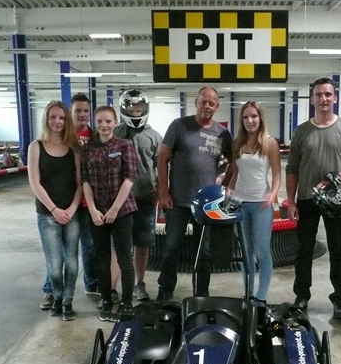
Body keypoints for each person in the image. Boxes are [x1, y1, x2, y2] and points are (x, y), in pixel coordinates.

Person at [285, 78, 341, 319]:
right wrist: (291, 201)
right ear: (312, 99)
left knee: (337, 250)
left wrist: (335, 178)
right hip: (307, 199)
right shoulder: (302, 131)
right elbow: (292, 168)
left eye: (328, 94)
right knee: (304, 250)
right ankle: (302, 296)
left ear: (335, 98)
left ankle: (339, 298)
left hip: (336, 201)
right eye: (319, 94)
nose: (323, 98)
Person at [155, 86, 233, 303]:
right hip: (177, 202)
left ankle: (201, 294)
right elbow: (162, 159)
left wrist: (223, 189)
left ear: (217, 107)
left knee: (204, 252)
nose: (207, 106)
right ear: (196, 102)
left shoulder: (223, 134)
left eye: (211, 103)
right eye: (203, 102)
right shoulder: (179, 126)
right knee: (171, 249)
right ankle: (165, 290)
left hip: (207, 206)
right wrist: (164, 193)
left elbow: (234, 164)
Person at [39, 93, 98, 312]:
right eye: (77, 110)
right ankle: (51, 290)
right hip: (64, 203)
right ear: (70, 112)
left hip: (87, 202)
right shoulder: (62, 136)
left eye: (85, 111)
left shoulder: (95, 137)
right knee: (57, 253)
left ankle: (91, 285)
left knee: (88, 247)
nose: (82, 114)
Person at [81, 105, 138, 322]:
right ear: (95, 124)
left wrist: (115, 208)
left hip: (122, 212)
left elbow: (129, 178)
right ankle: (105, 299)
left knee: (124, 258)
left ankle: (127, 302)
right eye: (99, 121)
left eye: (108, 121)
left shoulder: (125, 145)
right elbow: (85, 180)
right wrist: (93, 209)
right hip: (97, 213)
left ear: (115, 123)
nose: (104, 125)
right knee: (102, 259)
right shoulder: (87, 149)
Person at [27, 100, 82, 321]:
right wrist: (54, 209)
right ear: (46, 119)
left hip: (71, 213)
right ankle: (57, 296)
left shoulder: (73, 147)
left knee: (72, 262)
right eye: (53, 117)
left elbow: (80, 183)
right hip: (47, 214)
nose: (57, 121)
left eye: (61, 117)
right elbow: (35, 183)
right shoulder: (36, 146)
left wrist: (71, 209)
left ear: (66, 120)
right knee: (55, 264)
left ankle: (68, 301)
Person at [228, 101, 281, 304]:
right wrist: (229, 193)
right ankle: (248, 293)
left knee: (262, 251)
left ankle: (261, 297)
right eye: (245, 117)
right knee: (246, 252)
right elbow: (235, 173)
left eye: (254, 116)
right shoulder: (237, 143)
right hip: (241, 204)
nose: (250, 121)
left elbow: (277, 174)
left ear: (260, 118)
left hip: (261, 204)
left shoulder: (270, 143)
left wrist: (273, 194)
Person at [112, 89, 162, 302]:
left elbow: (162, 166)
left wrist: (159, 192)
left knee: (142, 244)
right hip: (118, 201)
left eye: (138, 108)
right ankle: (111, 287)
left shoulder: (154, 136)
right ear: (124, 109)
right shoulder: (115, 133)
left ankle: (139, 284)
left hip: (145, 198)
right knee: (117, 246)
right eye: (131, 108)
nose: (135, 112)